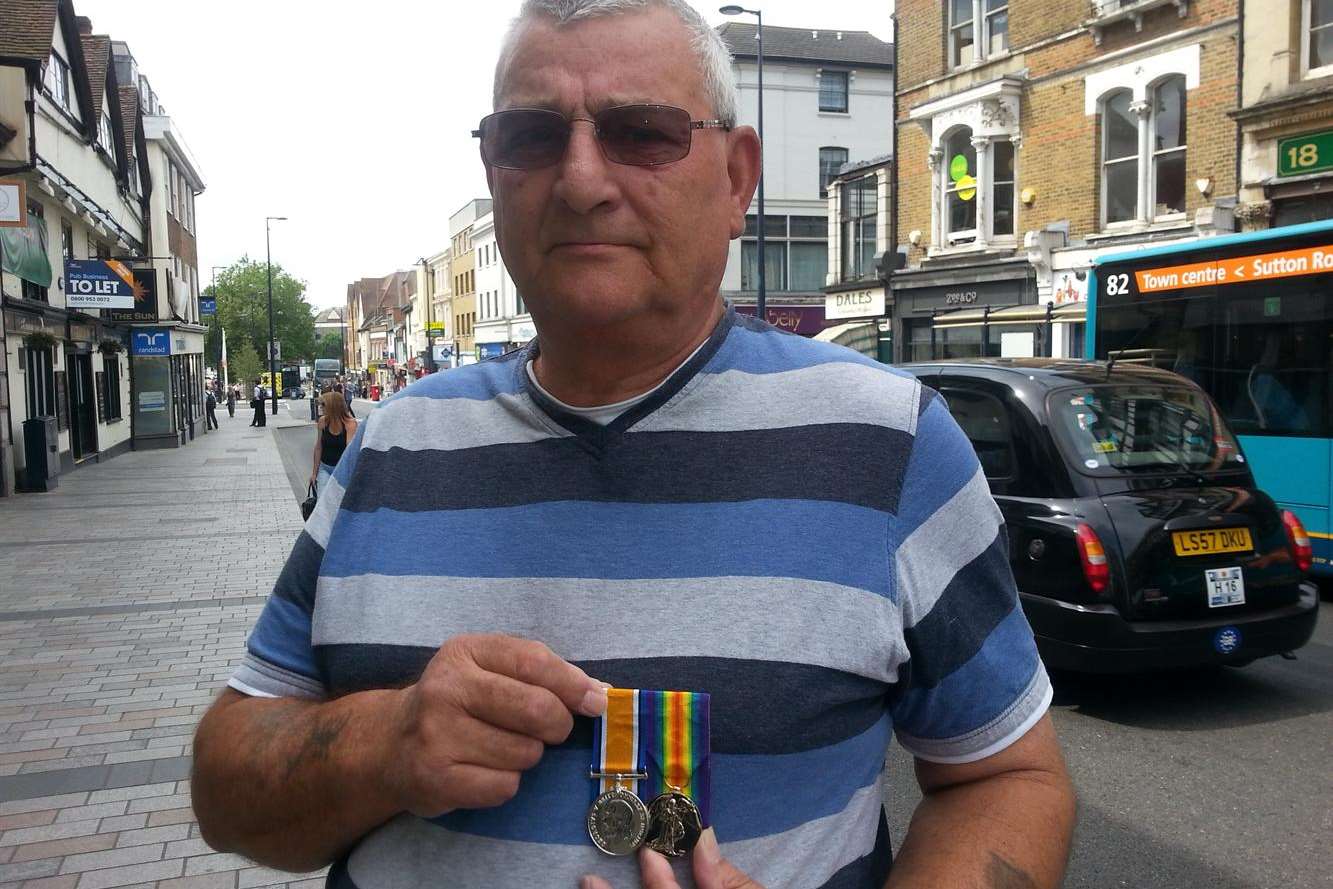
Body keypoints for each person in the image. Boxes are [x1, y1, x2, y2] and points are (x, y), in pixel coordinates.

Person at [191, 3, 1075, 889]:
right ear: (492, 173)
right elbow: (226, 794)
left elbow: (1006, 777)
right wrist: (381, 744)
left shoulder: (890, 441)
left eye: (641, 133)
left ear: (737, 180)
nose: (580, 181)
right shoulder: (393, 443)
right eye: (530, 136)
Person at [309, 391, 357, 498]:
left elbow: (349, 452)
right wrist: (314, 473)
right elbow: (318, 448)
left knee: (338, 503)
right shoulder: (323, 421)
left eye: (323, 405)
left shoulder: (350, 424)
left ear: (333, 406)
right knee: (322, 501)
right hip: (325, 468)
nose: (321, 408)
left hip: (342, 469)